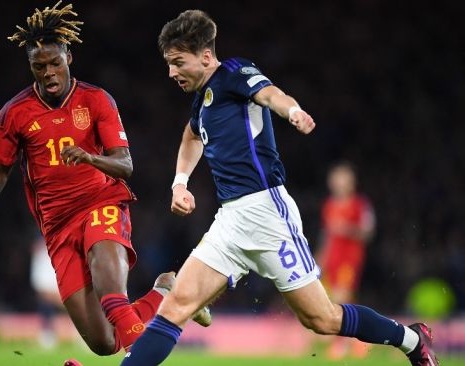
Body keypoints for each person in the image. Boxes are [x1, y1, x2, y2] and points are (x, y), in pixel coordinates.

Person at [119, 9, 438, 366]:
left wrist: (293, 111)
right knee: (176, 304)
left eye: (178, 62)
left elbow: (271, 95)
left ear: (205, 56)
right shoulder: (203, 100)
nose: (171, 72)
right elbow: (191, 135)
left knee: (321, 318)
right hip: (231, 220)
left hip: (268, 213)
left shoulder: (233, 73)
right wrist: (180, 183)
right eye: (168, 64)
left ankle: (412, 339)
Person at [0, 2, 208, 361]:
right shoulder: (15, 114)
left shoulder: (96, 100)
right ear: (31, 67)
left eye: (55, 62)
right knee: (104, 344)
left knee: (112, 295)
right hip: (57, 228)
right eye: (39, 67)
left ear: (69, 56)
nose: (49, 72)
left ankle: (141, 358)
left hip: (100, 203)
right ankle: (165, 289)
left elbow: (125, 165)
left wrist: (90, 157)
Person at [317, 162, 375, 359]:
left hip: (349, 259)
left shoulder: (360, 204)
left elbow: (368, 232)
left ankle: (340, 344)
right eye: (335, 179)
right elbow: (327, 235)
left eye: (342, 178)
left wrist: (348, 228)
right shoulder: (329, 205)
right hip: (332, 260)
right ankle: (359, 340)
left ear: (351, 182)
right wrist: (320, 258)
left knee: (342, 298)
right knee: (338, 300)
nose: (338, 183)